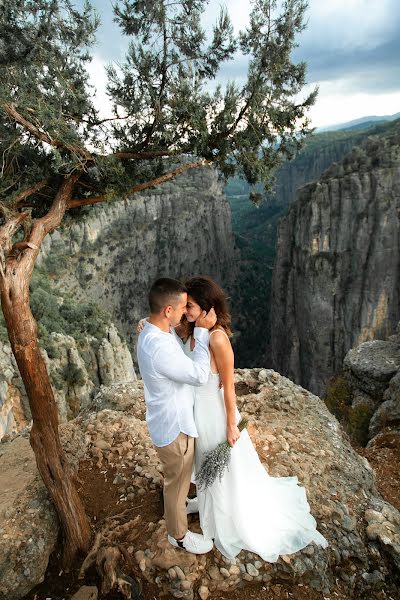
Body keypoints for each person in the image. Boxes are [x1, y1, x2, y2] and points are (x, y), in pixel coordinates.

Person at [181, 275, 329, 561]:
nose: (185, 310)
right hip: (198, 412)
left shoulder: (218, 339)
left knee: (222, 464)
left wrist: (230, 425)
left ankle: (227, 518)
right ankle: (208, 503)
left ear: (207, 309)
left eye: (190, 306)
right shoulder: (191, 331)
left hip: (215, 413)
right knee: (205, 460)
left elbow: (228, 385)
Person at [137, 277, 217, 555]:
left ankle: (182, 506)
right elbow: (197, 375)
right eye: (182, 307)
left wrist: (144, 321)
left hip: (170, 419)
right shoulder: (160, 347)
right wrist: (204, 333)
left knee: (181, 479)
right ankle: (178, 535)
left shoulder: (154, 329)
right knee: (177, 482)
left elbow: (160, 327)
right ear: (167, 311)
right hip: (174, 426)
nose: (186, 311)